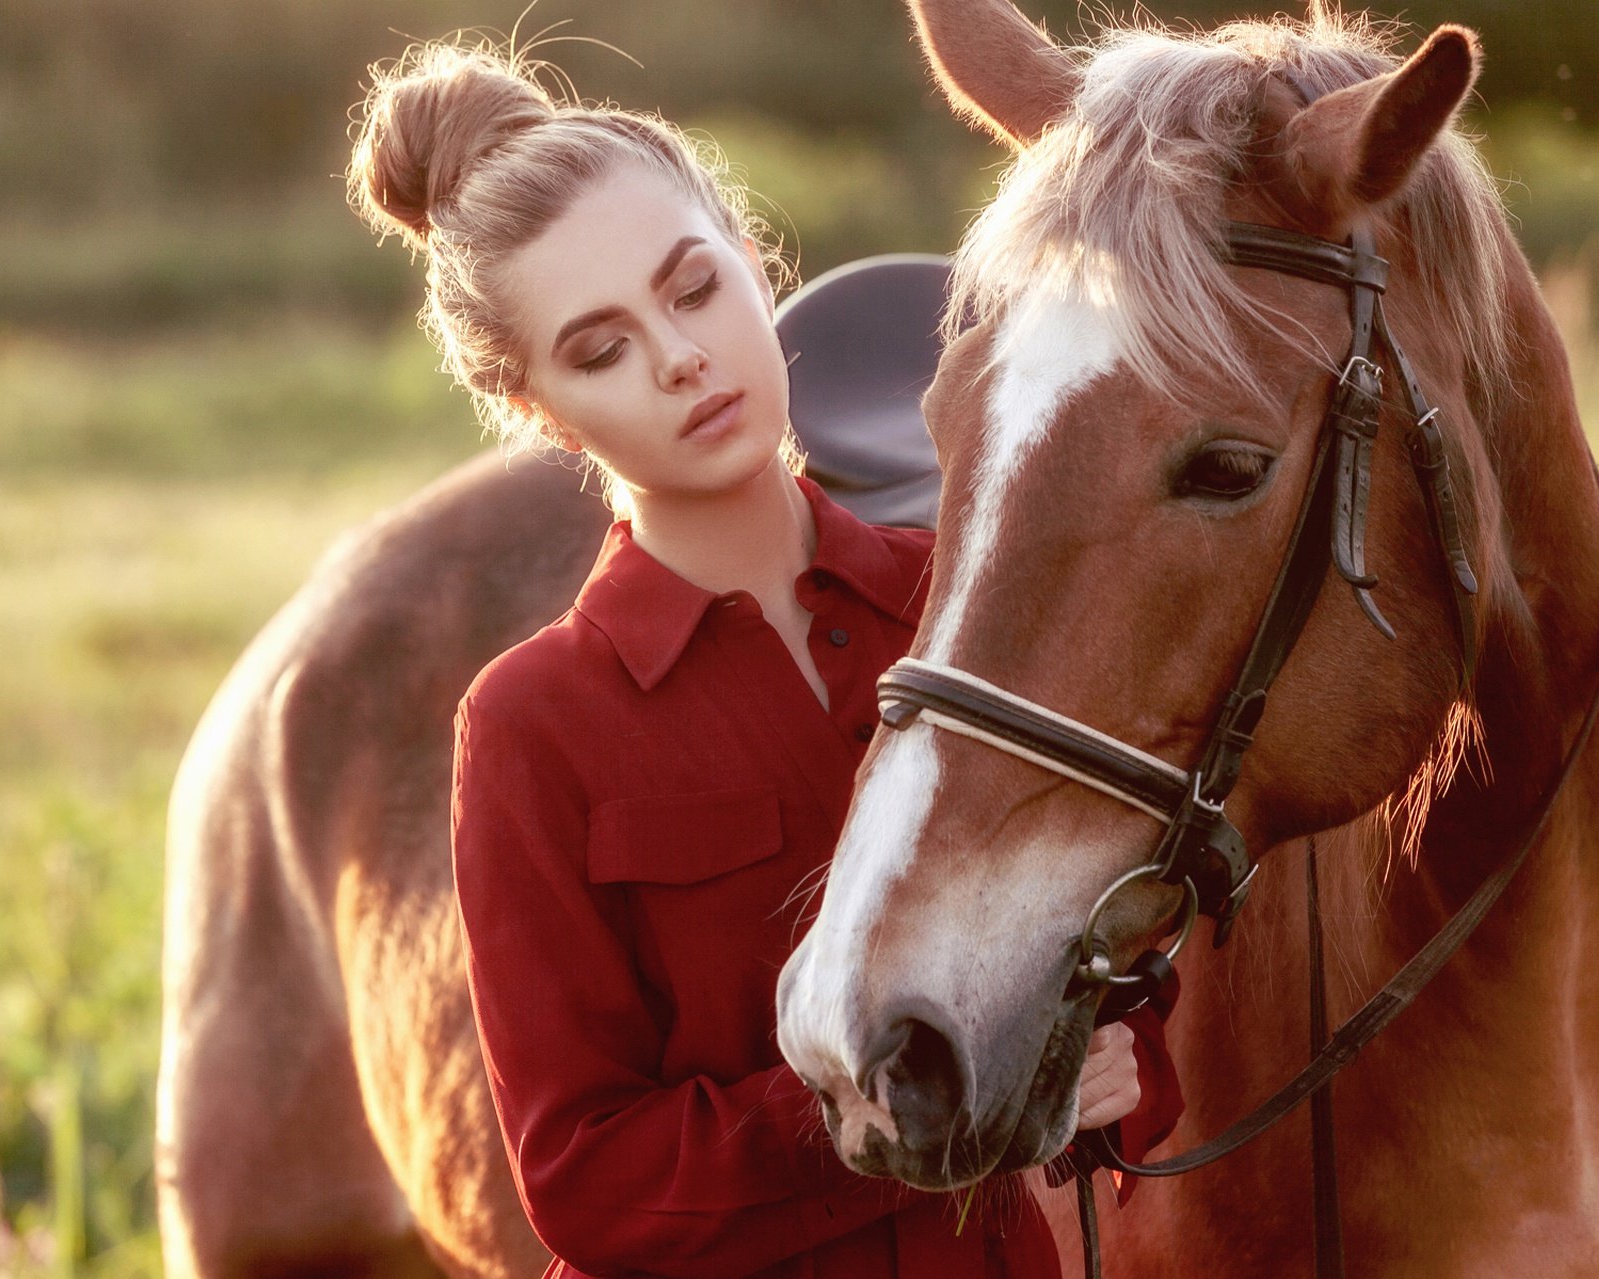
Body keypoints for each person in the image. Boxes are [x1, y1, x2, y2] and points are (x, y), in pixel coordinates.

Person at [346, 41, 1182, 1279]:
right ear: (531, 407)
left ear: (751, 258)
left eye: (692, 288)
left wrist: (1113, 1061)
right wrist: (883, 1115)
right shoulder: (533, 722)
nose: (679, 357)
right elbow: (583, 1178)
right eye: (599, 349)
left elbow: (1103, 944)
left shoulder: (951, 604)